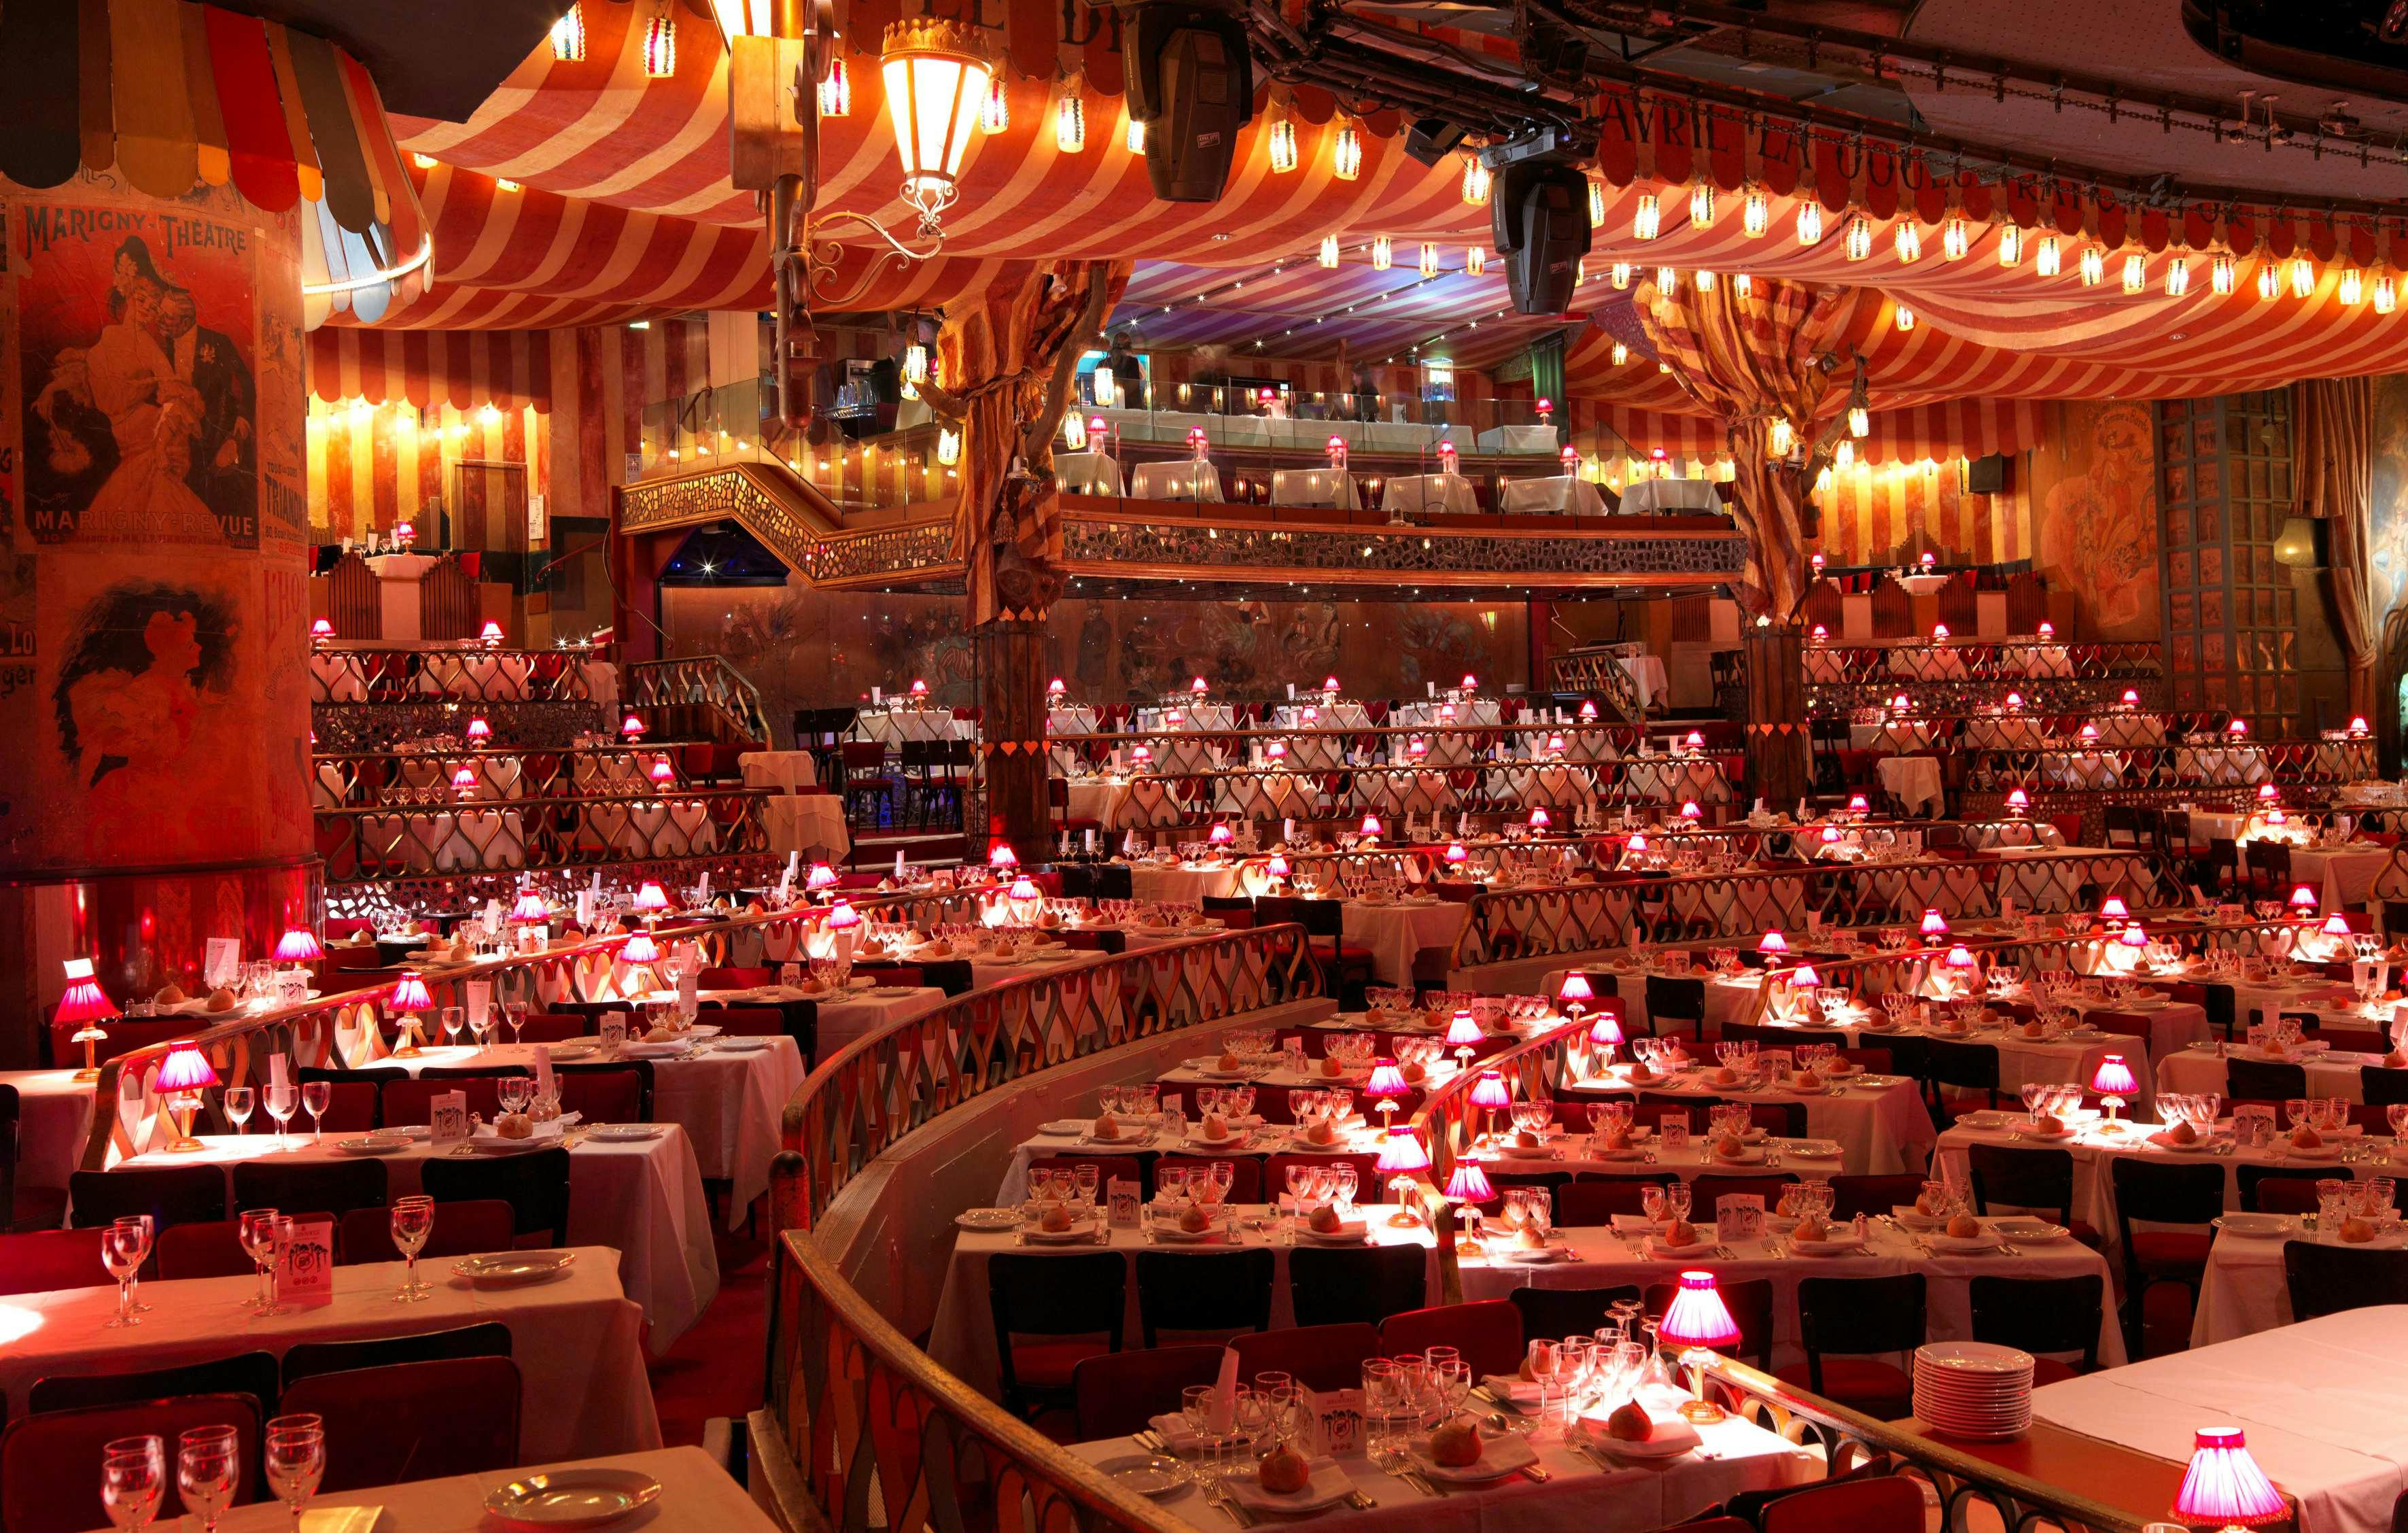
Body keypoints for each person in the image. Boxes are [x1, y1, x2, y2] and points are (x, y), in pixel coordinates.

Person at [79, 275, 221, 543]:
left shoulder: (148, 345)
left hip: (149, 436)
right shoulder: (108, 340)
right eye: (142, 299)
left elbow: (173, 393)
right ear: (128, 296)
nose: (146, 308)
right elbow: (103, 393)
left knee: (157, 501)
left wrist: (163, 440)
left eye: (154, 307)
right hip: (127, 435)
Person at [156, 286, 254, 526]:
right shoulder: (160, 347)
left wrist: (242, 422)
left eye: (168, 316)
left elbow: (246, 382)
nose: (161, 320)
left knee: (213, 506)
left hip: (215, 437)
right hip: (178, 439)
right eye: (161, 313)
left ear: (187, 321)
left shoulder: (217, 343)